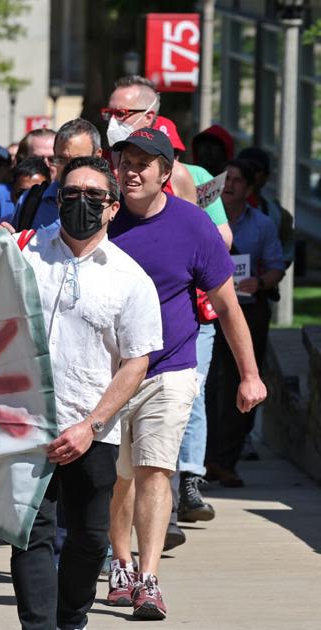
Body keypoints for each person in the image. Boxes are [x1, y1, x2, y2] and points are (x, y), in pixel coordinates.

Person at [104, 128, 266, 621]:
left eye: (143, 164)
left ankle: (148, 579)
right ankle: (121, 563)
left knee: (155, 469)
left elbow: (226, 303)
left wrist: (249, 375)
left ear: (165, 172)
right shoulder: (100, 219)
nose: (132, 171)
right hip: (107, 373)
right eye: (125, 161)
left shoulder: (192, 225)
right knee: (117, 477)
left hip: (170, 368)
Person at [10, 156, 162, 630]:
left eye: (93, 196)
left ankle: (70, 620)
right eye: (70, 194)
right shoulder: (24, 256)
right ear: (56, 200)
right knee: (29, 536)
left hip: (92, 431)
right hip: (27, 426)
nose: (81, 203)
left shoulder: (130, 278)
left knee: (90, 539)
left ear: (113, 207)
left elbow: (136, 361)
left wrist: (92, 424)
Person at [153, 117, 232, 548]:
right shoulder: (120, 180)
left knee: (191, 392)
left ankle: (190, 480)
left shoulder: (194, 179)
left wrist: (189, 231)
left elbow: (223, 236)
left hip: (192, 307)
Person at [204, 159, 285, 488]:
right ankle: (205, 458)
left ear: (250, 189)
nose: (231, 185)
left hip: (249, 311)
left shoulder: (263, 225)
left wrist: (261, 282)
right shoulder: (205, 219)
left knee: (245, 384)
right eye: (227, 179)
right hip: (208, 311)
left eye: (238, 180)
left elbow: (277, 266)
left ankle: (226, 461)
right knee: (209, 386)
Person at [104, 75, 197, 204]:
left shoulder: (176, 174)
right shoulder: (97, 166)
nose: (112, 121)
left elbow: (190, 222)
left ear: (148, 117)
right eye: (109, 113)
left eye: (120, 113)